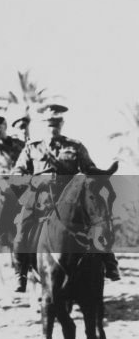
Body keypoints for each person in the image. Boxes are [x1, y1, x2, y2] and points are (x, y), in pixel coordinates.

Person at [10, 103, 120, 291]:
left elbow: (89, 169)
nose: (53, 126)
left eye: (57, 123)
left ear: (62, 124)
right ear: (43, 124)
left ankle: (109, 263)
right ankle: (20, 272)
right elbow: (16, 175)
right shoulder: (32, 148)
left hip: (71, 199)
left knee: (98, 222)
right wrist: (35, 182)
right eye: (49, 123)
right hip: (40, 199)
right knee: (22, 227)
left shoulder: (75, 146)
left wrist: (105, 172)